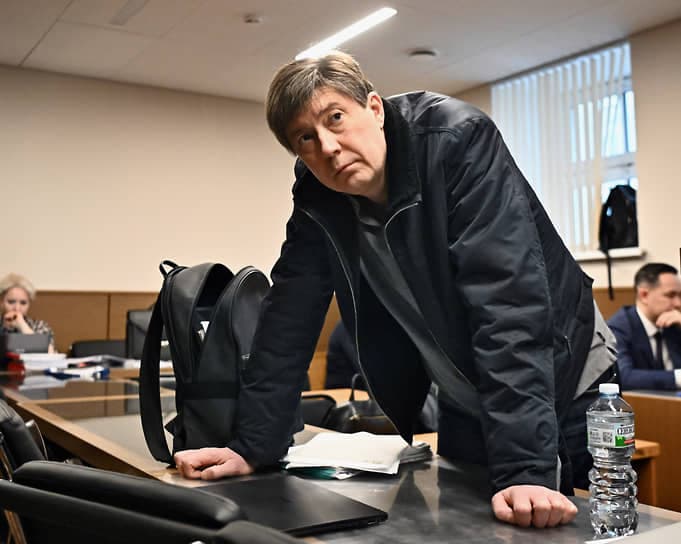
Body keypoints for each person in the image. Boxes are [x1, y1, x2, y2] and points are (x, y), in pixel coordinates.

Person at [174, 51, 617, 529]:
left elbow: (508, 305)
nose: (328, 147)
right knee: (467, 525)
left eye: (335, 118)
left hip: (563, 372)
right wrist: (252, 448)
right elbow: (288, 316)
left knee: (562, 525)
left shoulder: (457, 140)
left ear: (374, 108)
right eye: (306, 138)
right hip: (465, 389)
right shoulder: (318, 193)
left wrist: (526, 471)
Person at [608, 263, 681, 390]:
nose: (678, 303)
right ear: (644, 295)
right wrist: (678, 377)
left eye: (680, 296)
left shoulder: (674, 323)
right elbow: (623, 376)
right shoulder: (618, 327)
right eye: (670, 295)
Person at [0, 273, 55, 353]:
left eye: (23, 303)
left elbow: (50, 353)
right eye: (11, 302)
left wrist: (22, 326)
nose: (17, 308)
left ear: (29, 304)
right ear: (1, 302)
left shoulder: (39, 326)